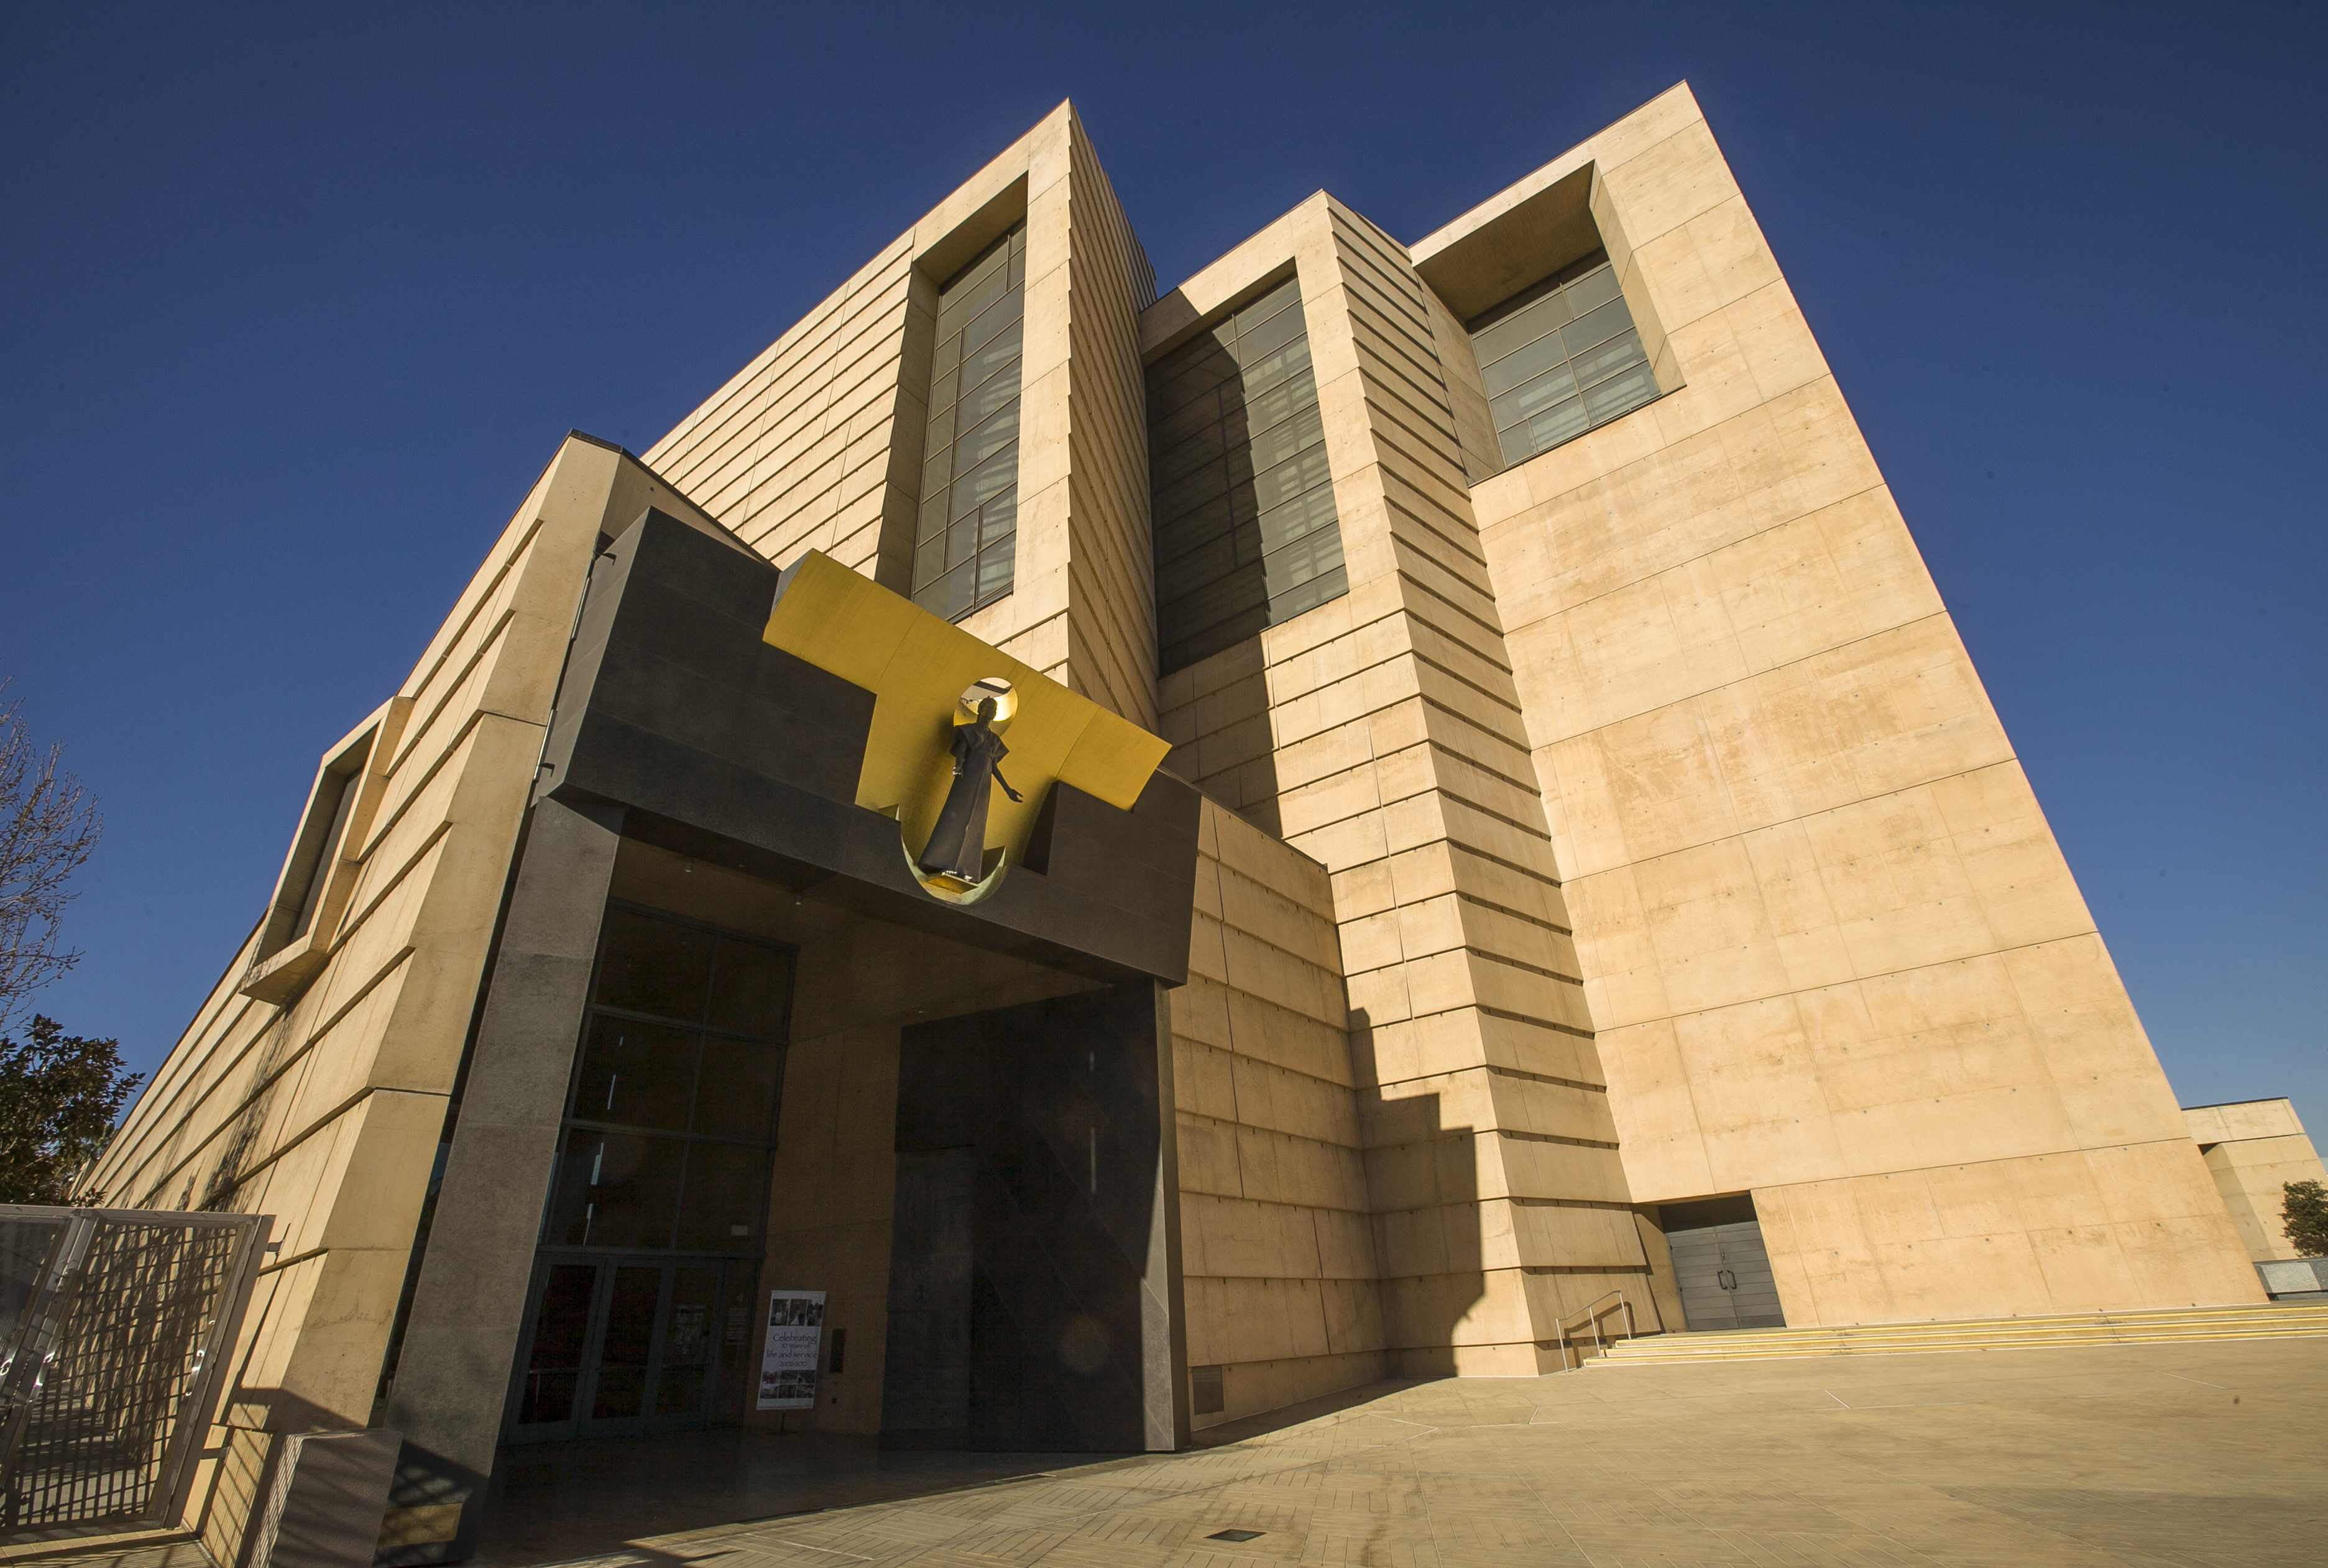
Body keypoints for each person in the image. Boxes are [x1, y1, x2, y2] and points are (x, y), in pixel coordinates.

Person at [918, 697, 1022, 881]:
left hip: (984, 787)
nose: (992, 710)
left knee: (975, 824)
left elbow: (994, 768)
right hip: (968, 778)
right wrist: (958, 767)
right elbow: (961, 750)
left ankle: (966, 869)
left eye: (995, 708)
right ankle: (939, 861)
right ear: (980, 709)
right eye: (989, 706)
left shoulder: (994, 740)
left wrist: (1008, 790)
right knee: (955, 815)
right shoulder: (970, 730)